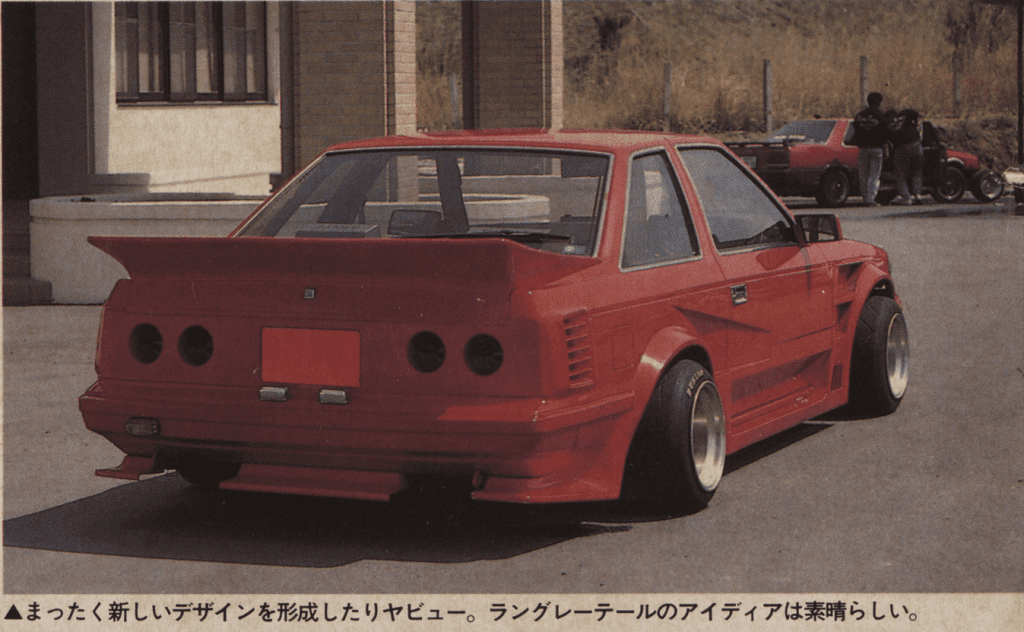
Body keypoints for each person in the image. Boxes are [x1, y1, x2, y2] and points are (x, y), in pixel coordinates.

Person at [851, 92, 887, 206]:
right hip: (876, 148)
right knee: (874, 175)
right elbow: (885, 132)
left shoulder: (860, 115)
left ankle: (864, 197)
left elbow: (855, 129)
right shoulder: (881, 115)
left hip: (863, 148)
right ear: (879, 102)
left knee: (863, 174)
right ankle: (870, 199)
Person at [889, 108, 924, 205]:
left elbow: (892, 134)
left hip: (903, 148)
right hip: (917, 147)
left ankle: (906, 197)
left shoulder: (899, 124)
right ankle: (918, 195)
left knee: (900, 173)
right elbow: (921, 137)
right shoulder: (916, 126)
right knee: (917, 172)